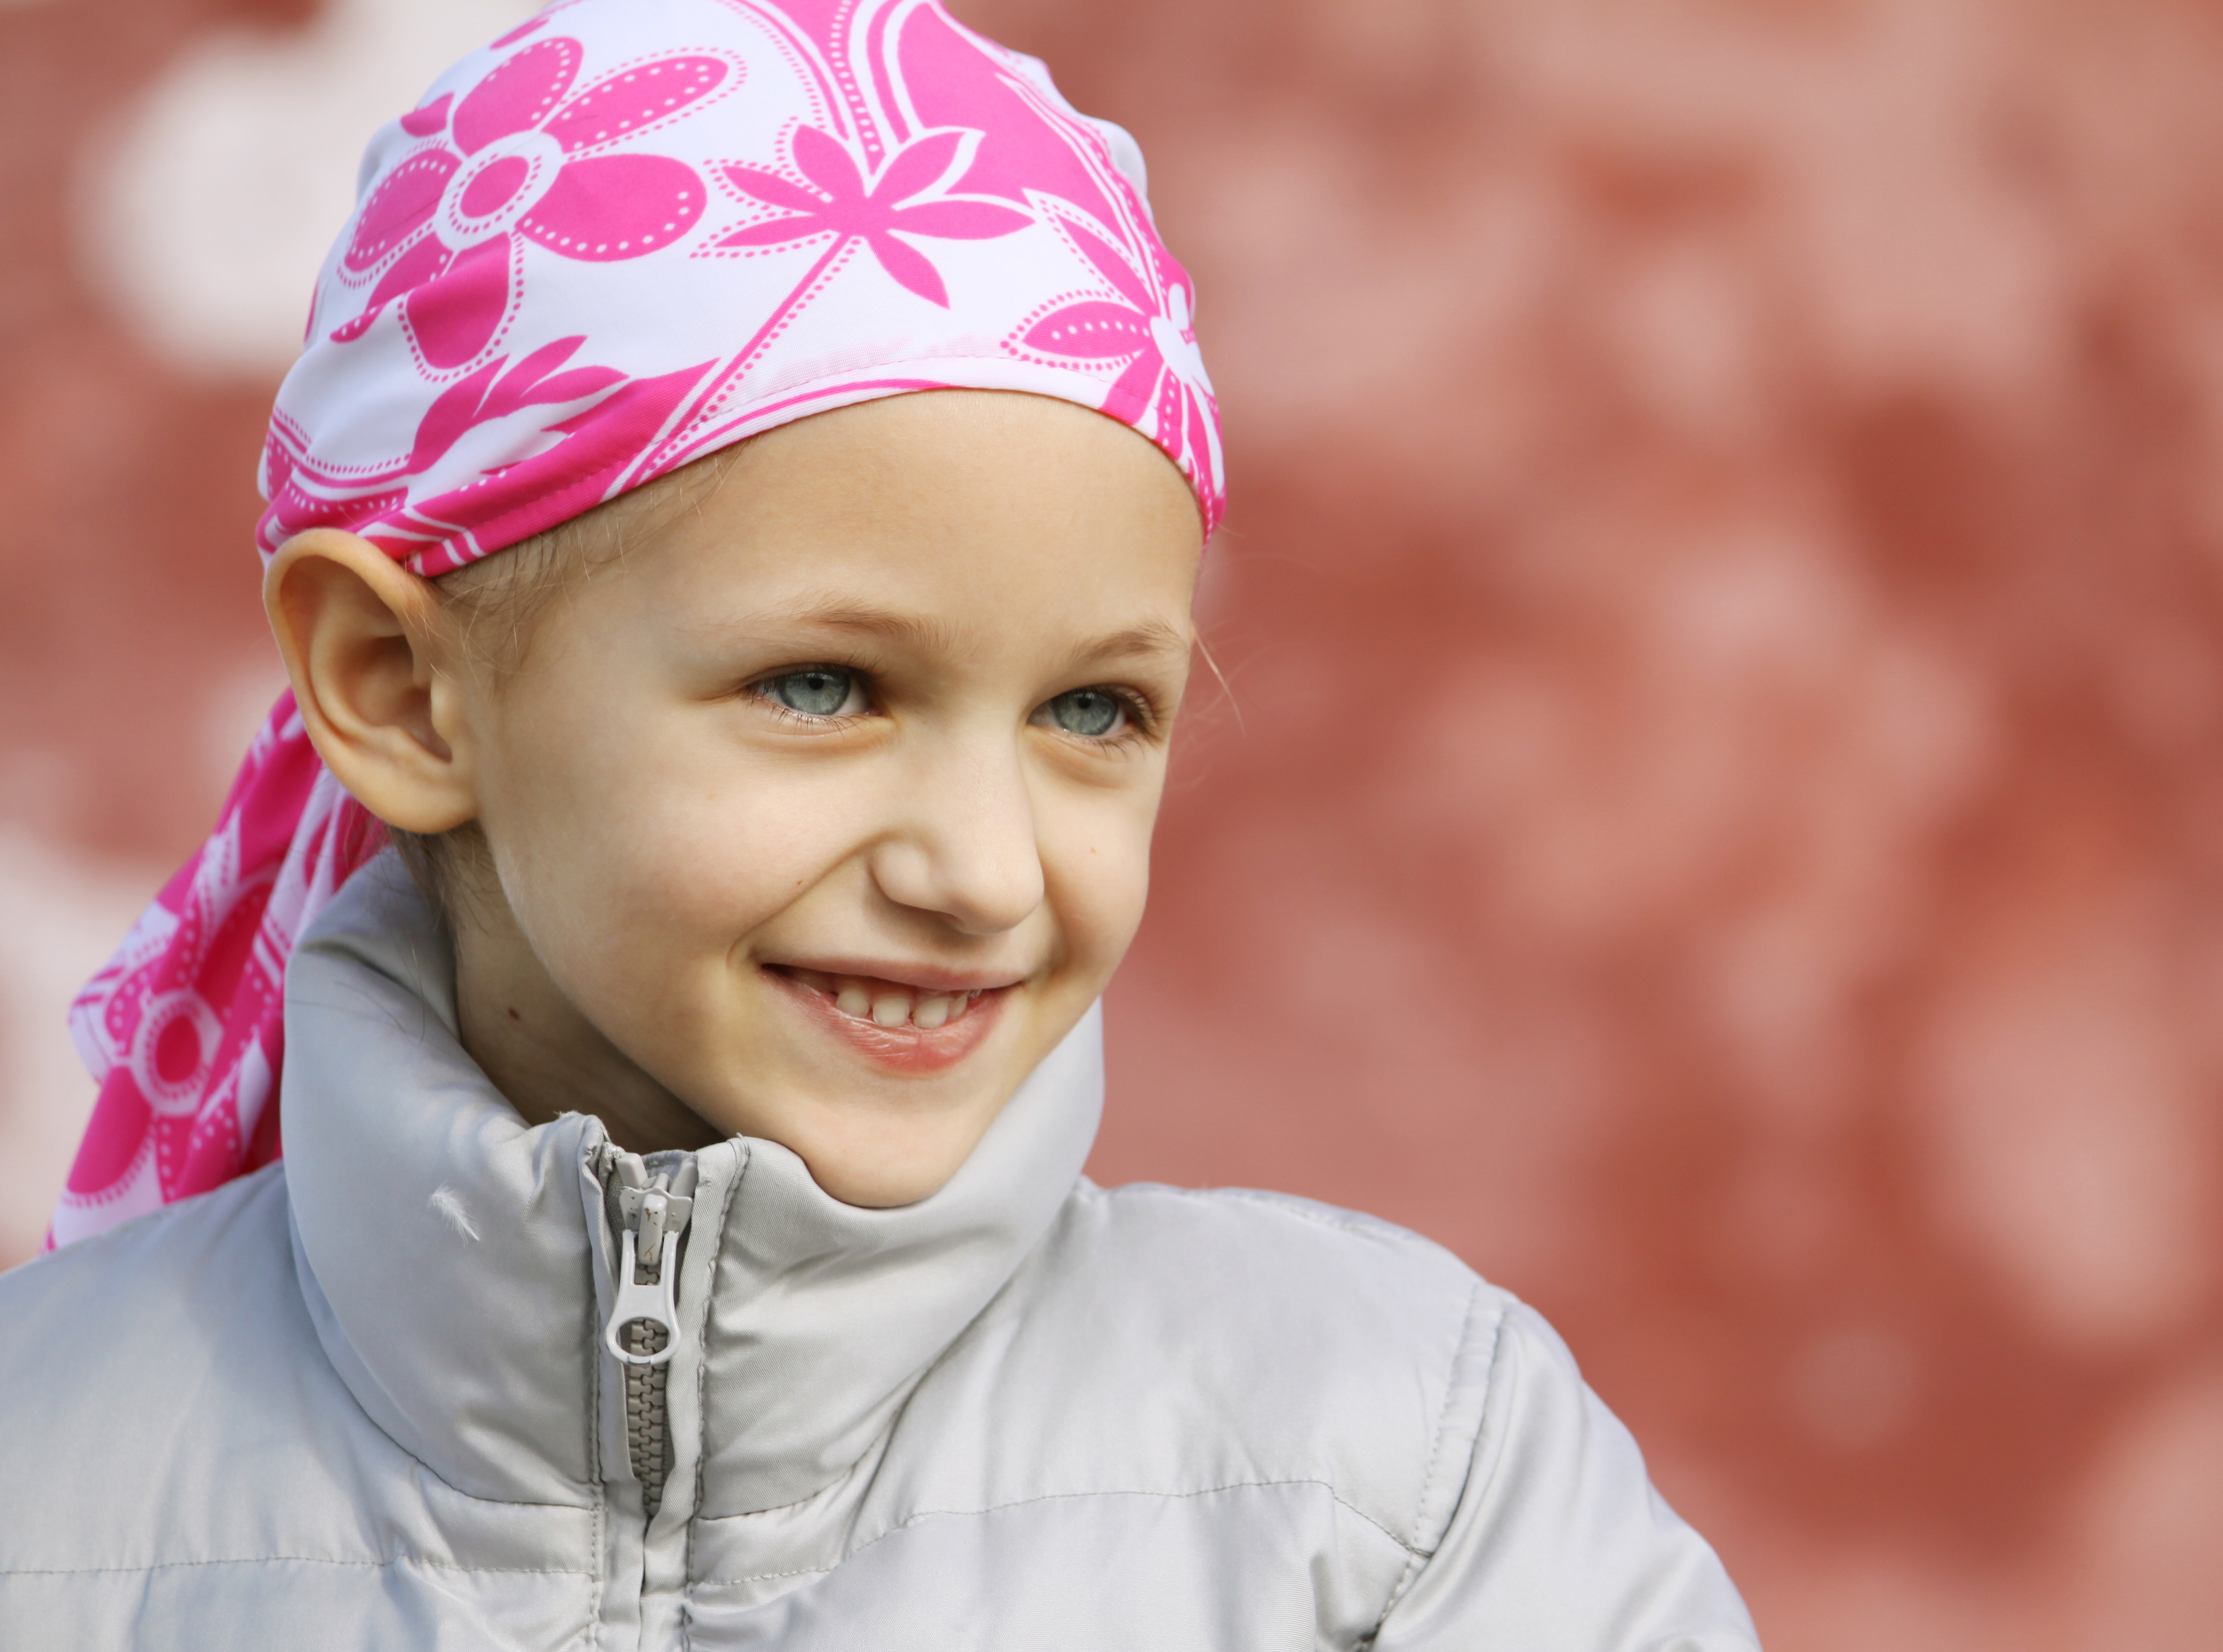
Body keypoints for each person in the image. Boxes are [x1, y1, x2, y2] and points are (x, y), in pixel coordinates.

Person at [0, 2, 1760, 1645]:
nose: (983, 873)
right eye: (828, 688)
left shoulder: (1400, 1482)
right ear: (399, 685)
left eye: (1094, 712)